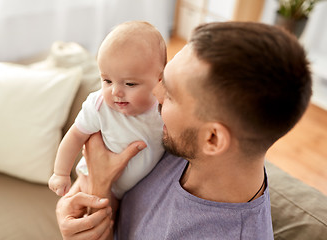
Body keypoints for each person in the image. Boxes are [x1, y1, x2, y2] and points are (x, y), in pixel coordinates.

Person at [55, 21, 312, 240]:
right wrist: (79, 204)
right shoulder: (181, 141)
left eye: (171, 94)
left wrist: (100, 186)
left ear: (212, 138)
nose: (155, 94)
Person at [48, 21, 166, 198]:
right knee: (96, 214)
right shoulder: (99, 106)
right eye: (107, 81)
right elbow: (75, 136)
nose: (115, 91)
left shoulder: (164, 108)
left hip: (134, 191)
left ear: (159, 80)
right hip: (91, 179)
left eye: (130, 84)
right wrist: (60, 173)